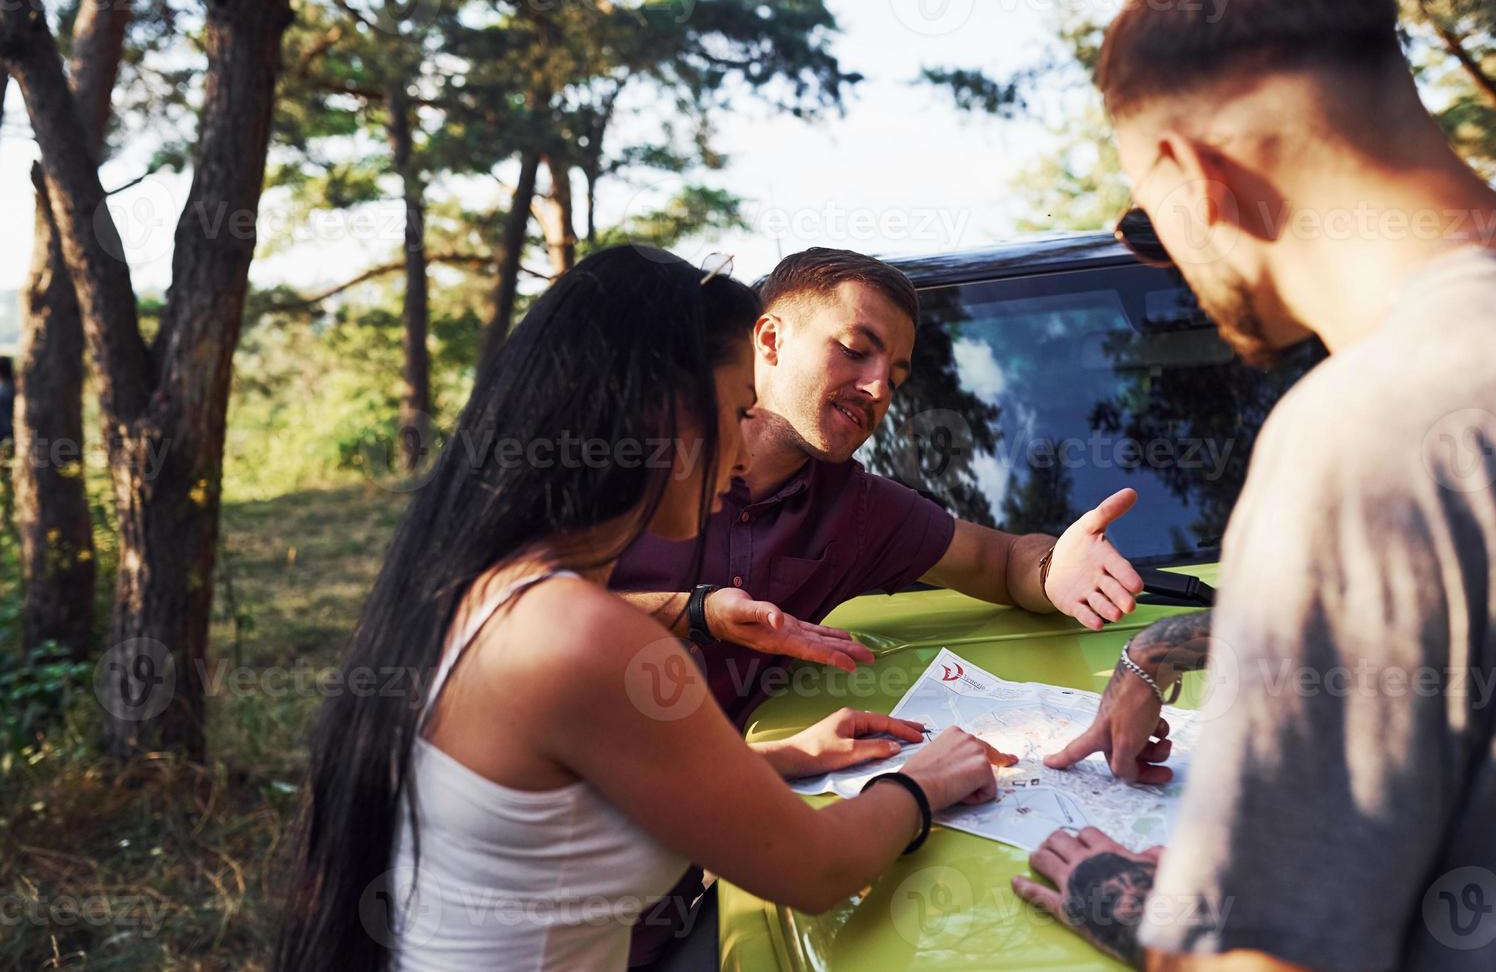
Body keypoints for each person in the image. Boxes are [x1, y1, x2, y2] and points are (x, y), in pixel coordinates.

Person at [275, 247, 1013, 972]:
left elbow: (554, 794)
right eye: (734, 410)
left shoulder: (482, 589)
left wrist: (780, 757)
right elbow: (815, 871)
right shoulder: (587, 638)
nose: (739, 451)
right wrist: (926, 782)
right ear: (662, 414)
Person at [1011, 0, 1496, 969]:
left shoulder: (1368, 429)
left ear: (1188, 172)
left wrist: (1128, 898)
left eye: (1139, 219)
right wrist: (1161, 643)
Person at [611, 246, 1150, 966]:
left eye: (895, 376)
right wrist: (694, 610)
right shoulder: (613, 464)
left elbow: (999, 559)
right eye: (856, 351)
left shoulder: (858, 508)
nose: (875, 389)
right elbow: (494, 615)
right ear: (766, 340)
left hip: (674, 898)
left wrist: (1053, 567)